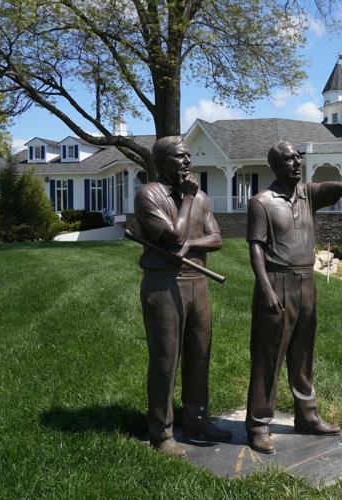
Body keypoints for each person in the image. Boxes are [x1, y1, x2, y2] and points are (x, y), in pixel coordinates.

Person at [245, 141, 342, 453]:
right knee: (268, 357)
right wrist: (265, 288)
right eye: (290, 159)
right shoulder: (261, 202)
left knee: (303, 354)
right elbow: (255, 248)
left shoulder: (308, 194)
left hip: (306, 281)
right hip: (276, 281)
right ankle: (258, 424)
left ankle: (306, 416)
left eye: (298, 158)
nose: (297, 163)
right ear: (276, 167)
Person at [134, 136, 231, 458]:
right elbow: (173, 235)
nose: (188, 161)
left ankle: (197, 420)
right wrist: (187, 201)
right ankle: (160, 431)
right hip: (163, 283)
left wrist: (191, 247)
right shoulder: (149, 195)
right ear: (162, 162)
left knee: (200, 354)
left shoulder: (200, 197)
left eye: (189, 155)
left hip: (197, 281)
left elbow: (216, 238)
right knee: (165, 359)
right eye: (179, 157)